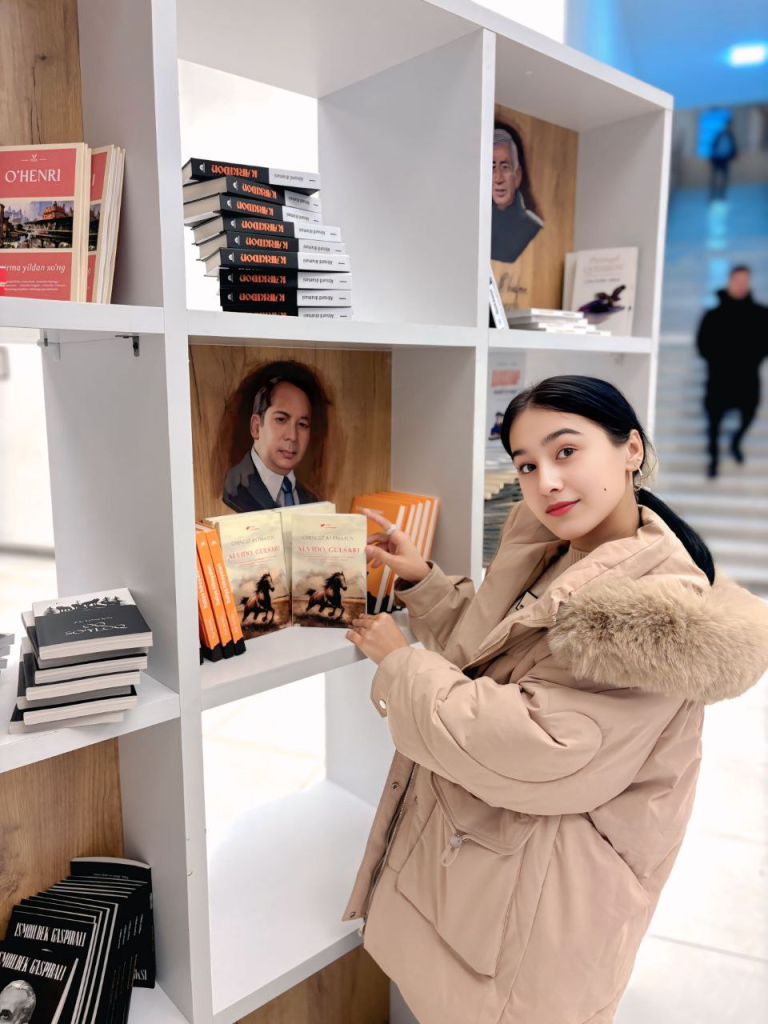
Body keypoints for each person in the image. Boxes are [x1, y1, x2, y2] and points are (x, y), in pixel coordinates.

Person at [342, 375, 768, 1024]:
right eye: (527, 464)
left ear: (631, 449)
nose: (545, 481)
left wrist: (400, 665)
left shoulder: (645, 611)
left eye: (566, 451)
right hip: (500, 868)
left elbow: (540, 747)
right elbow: (495, 652)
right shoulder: (557, 548)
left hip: (550, 893)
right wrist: (424, 583)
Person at [696, 265, 768, 477]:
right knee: (714, 422)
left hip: (747, 378)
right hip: (719, 378)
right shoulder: (713, 315)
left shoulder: (762, 314)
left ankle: (736, 442)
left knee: (749, 413)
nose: (741, 285)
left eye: (745, 281)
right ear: (729, 282)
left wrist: (749, 358)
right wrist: (722, 360)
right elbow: (702, 344)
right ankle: (714, 458)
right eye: (737, 281)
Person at [223, 364, 322, 512]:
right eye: (281, 420)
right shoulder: (233, 488)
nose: (292, 436)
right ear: (256, 427)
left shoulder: (309, 500)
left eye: (302, 424)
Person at [491, 122, 544, 264]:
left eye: (505, 167)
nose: (498, 178)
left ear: (517, 175)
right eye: (491, 167)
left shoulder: (532, 225)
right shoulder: (472, 224)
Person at [709, 119, 737, 201]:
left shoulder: (731, 136)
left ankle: (722, 194)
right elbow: (713, 145)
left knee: (724, 178)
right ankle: (713, 194)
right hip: (717, 159)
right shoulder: (719, 135)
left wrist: (733, 156)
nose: (729, 127)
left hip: (725, 159)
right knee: (715, 177)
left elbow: (733, 147)